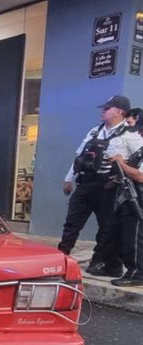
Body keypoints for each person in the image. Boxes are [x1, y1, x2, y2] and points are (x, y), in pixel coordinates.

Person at [58, 95, 143, 276]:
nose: (103, 112)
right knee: (72, 223)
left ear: (119, 112)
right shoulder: (94, 131)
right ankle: (61, 256)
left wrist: (126, 168)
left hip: (109, 187)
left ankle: (99, 261)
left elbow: (140, 159)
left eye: (107, 109)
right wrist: (68, 179)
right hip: (85, 184)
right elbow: (79, 157)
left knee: (107, 228)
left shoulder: (130, 135)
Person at [108, 113, 143, 287]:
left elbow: (140, 176)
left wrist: (121, 163)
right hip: (131, 198)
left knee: (135, 238)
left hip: (139, 200)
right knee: (129, 236)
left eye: (141, 130)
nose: (139, 134)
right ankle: (133, 270)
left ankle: (137, 273)